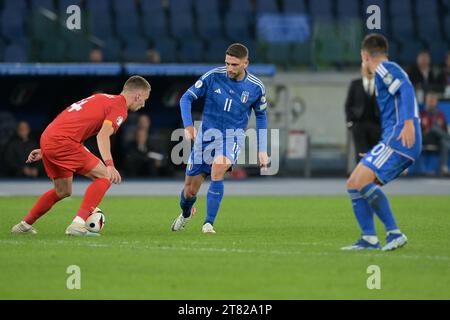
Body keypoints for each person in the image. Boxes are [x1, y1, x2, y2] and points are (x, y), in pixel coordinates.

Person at [11, 76, 151, 236]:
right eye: (144, 99)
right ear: (138, 96)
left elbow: (73, 121)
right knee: (105, 176)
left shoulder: (102, 97)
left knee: (62, 190)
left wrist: (46, 149)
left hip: (50, 137)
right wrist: (110, 164)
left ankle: (23, 225)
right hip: (63, 141)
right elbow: (103, 136)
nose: (143, 104)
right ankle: (78, 224)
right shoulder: (119, 107)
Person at [171, 43, 269, 234]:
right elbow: (186, 98)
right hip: (206, 138)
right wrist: (189, 125)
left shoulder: (256, 87)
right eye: (227, 64)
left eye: (234, 64)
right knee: (189, 192)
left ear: (245, 63)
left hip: (232, 137)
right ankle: (186, 213)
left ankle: (208, 223)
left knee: (218, 168)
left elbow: (262, 116)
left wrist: (262, 149)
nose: (229, 69)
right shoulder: (213, 76)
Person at [343, 34, 422, 251]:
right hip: (394, 140)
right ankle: (369, 238)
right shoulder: (385, 71)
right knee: (354, 183)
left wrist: (407, 124)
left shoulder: (384, 68)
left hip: (399, 138)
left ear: (365, 56)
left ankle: (394, 233)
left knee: (360, 181)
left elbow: (406, 88)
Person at [345, 66, 381, 164]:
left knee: (376, 153)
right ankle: (362, 177)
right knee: (361, 152)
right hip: (358, 124)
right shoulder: (355, 84)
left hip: (376, 125)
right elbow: (348, 105)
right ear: (361, 71)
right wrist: (350, 123)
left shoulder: (381, 85)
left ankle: (373, 176)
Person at [420, 91, 450, 174]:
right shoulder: (422, 114)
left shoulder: (440, 114)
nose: (431, 103)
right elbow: (418, 129)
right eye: (429, 101)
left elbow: (444, 129)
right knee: (434, 129)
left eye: (433, 101)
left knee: (444, 142)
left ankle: (443, 166)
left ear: (436, 102)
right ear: (426, 102)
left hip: (437, 138)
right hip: (424, 137)